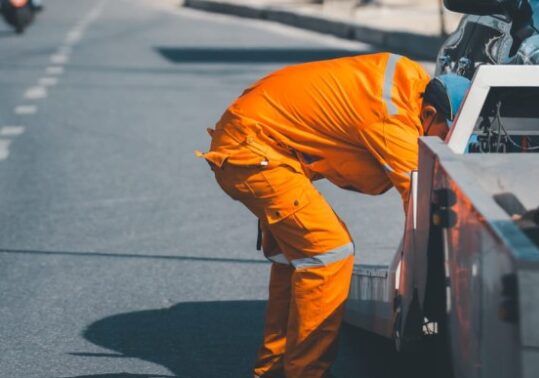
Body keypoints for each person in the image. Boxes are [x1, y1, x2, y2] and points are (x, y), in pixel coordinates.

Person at [198, 53, 470, 378]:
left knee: (296, 259)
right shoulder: (392, 121)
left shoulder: (410, 80)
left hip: (254, 136)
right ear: (429, 113)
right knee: (328, 253)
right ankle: (306, 373)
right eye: (445, 135)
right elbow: (421, 199)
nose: (445, 145)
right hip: (253, 150)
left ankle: (273, 369)